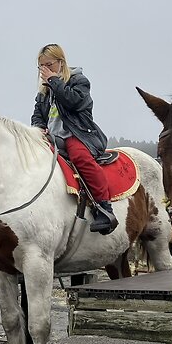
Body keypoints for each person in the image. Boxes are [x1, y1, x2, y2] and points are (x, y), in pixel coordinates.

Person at [30, 43, 119, 234]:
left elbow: (75, 102)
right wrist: (38, 129)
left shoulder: (79, 81)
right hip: (52, 138)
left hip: (77, 134)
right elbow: (37, 115)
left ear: (61, 63)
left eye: (49, 65)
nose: (44, 70)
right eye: (41, 67)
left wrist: (54, 81)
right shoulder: (43, 92)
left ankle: (105, 208)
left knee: (80, 157)